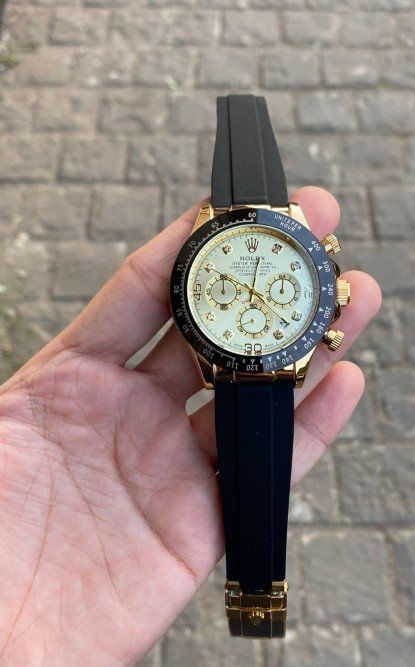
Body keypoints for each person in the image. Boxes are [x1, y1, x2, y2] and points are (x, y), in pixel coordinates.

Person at [0, 187, 381, 663]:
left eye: (266, 289)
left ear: (331, 294)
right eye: (246, 288)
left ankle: (257, 600)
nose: (254, 294)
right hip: (250, 355)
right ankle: (255, 602)